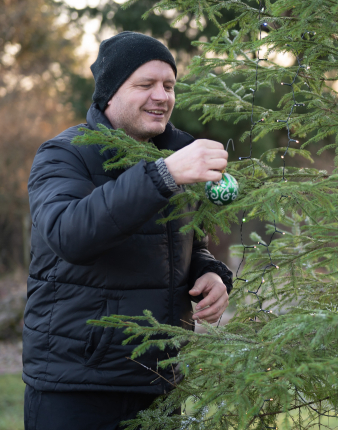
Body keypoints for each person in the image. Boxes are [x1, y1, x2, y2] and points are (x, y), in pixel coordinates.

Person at [23, 31, 233, 430]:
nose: (161, 96)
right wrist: (162, 176)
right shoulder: (63, 154)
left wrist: (209, 272)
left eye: (169, 85)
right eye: (145, 84)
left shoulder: (177, 156)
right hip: (78, 387)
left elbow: (193, 241)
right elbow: (69, 234)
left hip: (160, 384)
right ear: (109, 93)